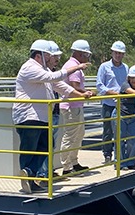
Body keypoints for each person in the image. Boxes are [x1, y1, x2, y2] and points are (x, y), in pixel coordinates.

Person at [12, 39, 92, 194]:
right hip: (29, 116)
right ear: (39, 55)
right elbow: (54, 78)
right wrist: (76, 67)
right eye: (50, 55)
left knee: (45, 148)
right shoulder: (29, 68)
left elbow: (62, 86)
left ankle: (30, 175)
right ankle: (28, 178)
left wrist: (82, 95)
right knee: (30, 149)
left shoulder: (43, 70)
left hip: (42, 117)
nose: (53, 59)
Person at [59, 39, 95, 176]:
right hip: (71, 106)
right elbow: (74, 86)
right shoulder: (74, 67)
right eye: (86, 55)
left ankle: (73, 162)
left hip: (74, 106)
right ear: (80, 54)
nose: (87, 58)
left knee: (78, 135)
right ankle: (67, 166)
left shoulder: (71, 65)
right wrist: (86, 92)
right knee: (70, 136)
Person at [96, 40, 129, 164]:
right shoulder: (104, 67)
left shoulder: (126, 68)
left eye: (120, 53)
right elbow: (100, 86)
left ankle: (120, 154)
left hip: (122, 104)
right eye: (116, 53)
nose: (118, 55)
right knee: (108, 130)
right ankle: (107, 154)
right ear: (112, 53)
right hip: (109, 104)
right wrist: (113, 93)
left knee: (122, 130)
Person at [36, 40, 63, 180]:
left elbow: (62, 88)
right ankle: (43, 174)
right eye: (54, 57)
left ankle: (48, 172)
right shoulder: (43, 73)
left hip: (54, 112)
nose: (57, 60)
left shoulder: (51, 72)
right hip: (46, 115)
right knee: (45, 145)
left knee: (50, 145)